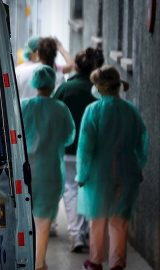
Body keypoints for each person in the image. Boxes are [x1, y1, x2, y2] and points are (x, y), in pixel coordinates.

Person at [77, 66, 148, 270]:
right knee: (120, 220)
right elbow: (141, 141)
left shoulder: (93, 111)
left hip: (99, 173)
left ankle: (96, 261)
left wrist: (82, 174)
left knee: (98, 217)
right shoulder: (130, 110)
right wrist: (139, 166)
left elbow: (86, 147)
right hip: (127, 172)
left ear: (99, 87)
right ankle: (117, 263)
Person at [20, 65, 75, 270]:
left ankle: (24, 260)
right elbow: (69, 136)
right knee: (43, 222)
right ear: (53, 85)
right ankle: (39, 263)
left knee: (25, 217)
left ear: (35, 84)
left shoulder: (24, 106)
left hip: (26, 171)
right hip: (50, 170)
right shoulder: (60, 109)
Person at [53, 47, 98, 252]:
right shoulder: (98, 90)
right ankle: (87, 232)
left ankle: (76, 234)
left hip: (68, 149)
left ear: (76, 66)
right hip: (92, 151)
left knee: (71, 190)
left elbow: (54, 117)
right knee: (89, 190)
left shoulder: (65, 89)